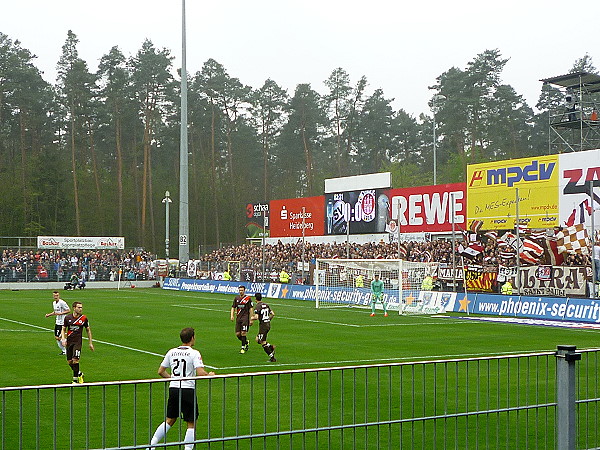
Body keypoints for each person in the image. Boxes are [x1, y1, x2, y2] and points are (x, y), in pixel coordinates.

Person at [148, 327, 215, 450]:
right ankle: (187, 449)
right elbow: (200, 372)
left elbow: (161, 371)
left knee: (170, 420)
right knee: (191, 423)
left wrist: (172, 379)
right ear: (192, 338)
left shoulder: (171, 352)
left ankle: (151, 445)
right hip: (187, 390)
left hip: (174, 388)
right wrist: (209, 375)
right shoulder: (194, 353)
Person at [60, 301, 94, 384]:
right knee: (69, 362)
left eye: (81, 307)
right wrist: (63, 339)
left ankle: (75, 380)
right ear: (74, 308)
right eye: (79, 307)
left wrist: (90, 343)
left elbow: (88, 330)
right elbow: (63, 329)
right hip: (69, 342)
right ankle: (79, 373)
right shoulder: (68, 318)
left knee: (75, 360)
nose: (80, 309)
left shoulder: (84, 318)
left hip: (77, 342)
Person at [252, 293, 276, 362]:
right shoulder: (266, 305)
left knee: (262, 342)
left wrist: (250, 318)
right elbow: (273, 314)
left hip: (263, 326)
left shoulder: (258, 306)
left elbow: (256, 317)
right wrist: (268, 319)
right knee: (257, 339)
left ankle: (272, 357)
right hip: (268, 324)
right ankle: (270, 346)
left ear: (255, 299)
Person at [45, 291, 70, 355]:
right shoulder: (54, 303)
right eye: (54, 296)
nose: (55, 297)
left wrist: (61, 313)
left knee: (58, 337)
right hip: (57, 322)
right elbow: (55, 312)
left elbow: (68, 310)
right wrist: (49, 315)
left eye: (57, 295)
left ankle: (66, 349)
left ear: (59, 296)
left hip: (62, 322)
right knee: (57, 337)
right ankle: (64, 350)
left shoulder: (62, 303)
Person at [230, 285, 254, 353]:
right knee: (238, 334)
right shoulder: (236, 298)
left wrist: (251, 319)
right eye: (240, 290)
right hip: (238, 318)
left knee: (243, 332)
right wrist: (232, 315)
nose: (241, 292)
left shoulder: (248, 299)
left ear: (244, 291)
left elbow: (251, 308)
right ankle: (246, 342)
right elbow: (233, 307)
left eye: (242, 290)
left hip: (245, 318)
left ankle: (242, 348)